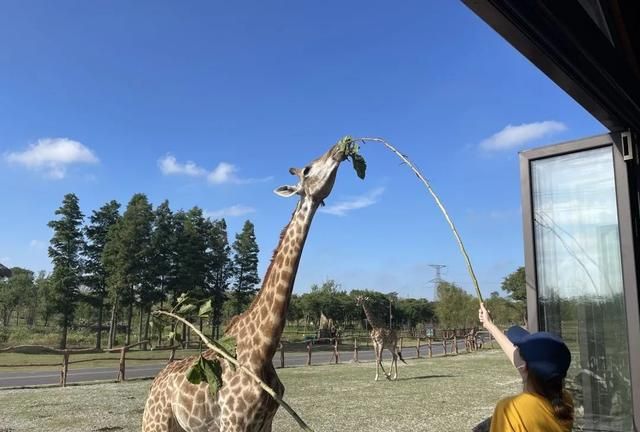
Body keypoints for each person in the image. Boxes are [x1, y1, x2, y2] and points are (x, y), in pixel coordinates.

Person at [478, 302, 574, 432]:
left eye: (519, 349)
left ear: (524, 366)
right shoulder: (564, 401)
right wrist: (489, 325)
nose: (515, 350)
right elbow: (520, 362)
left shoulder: (511, 409)